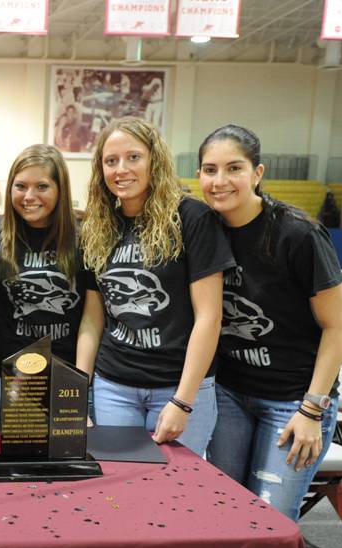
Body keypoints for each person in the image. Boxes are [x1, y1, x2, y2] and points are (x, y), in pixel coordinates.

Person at [199, 124, 342, 520]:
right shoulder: (203, 230)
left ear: (258, 173)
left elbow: (337, 327)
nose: (220, 181)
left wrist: (312, 410)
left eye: (233, 168)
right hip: (230, 394)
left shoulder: (298, 235)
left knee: (269, 521)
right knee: (223, 513)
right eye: (209, 169)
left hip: (293, 401)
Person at [78, 116, 234, 456]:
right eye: (111, 161)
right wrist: (77, 391)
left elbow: (209, 317)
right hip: (114, 387)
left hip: (177, 386)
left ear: (155, 160)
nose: (122, 169)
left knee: (179, 496)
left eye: (133, 157)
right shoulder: (97, 227)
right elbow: (92, 319)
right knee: (121, 493)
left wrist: (183, 399)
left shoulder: (192, 218)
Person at [0, 144, 99, 431]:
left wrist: (78, 387)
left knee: (67, 468)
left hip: (65, 377)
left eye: (42, 186)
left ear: (61, 190)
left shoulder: (84, 235)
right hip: (5, 377)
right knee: (17, 471)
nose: (29, 196)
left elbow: (93, 318)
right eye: (20, 186)